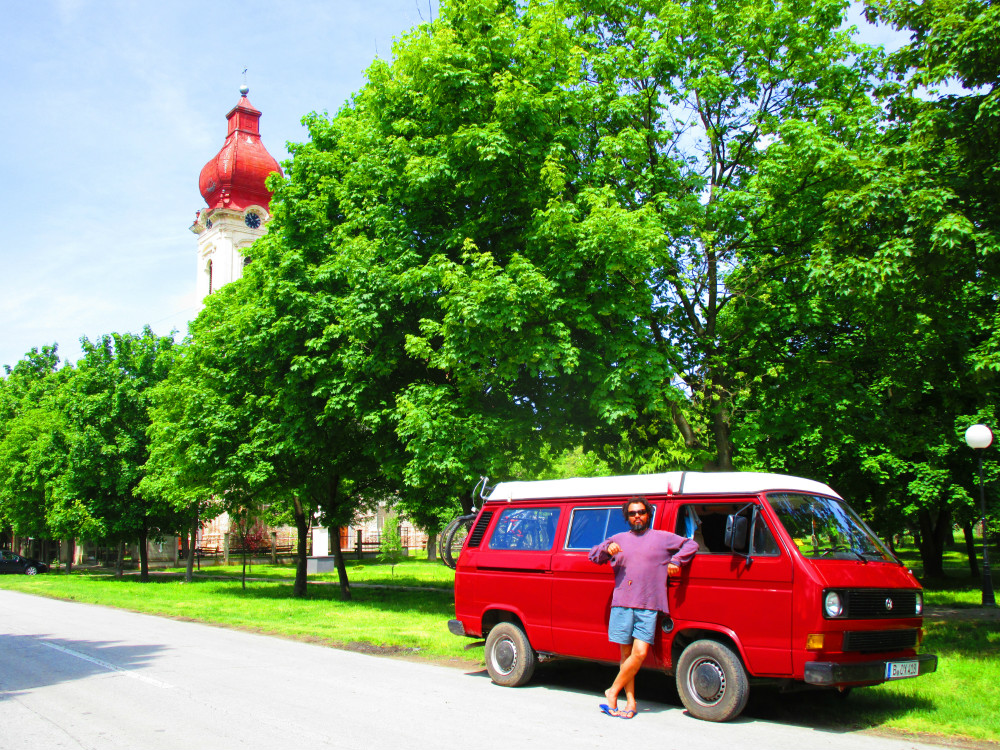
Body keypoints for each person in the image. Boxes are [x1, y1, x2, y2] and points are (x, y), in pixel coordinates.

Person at [589, 496, 699, 719]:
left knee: (639, 653)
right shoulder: (618, 538)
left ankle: (612, 691)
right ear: (627, 517)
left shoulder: (662, 538)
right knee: (626, 654)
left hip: (649, 605)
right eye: (632, 513)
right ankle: (630, 701)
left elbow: (691, 544)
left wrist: (677, 561)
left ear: (649, 514)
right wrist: (607, 548)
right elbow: (594, 556)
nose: (637, 516)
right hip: (622, 603)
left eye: (641, 512)